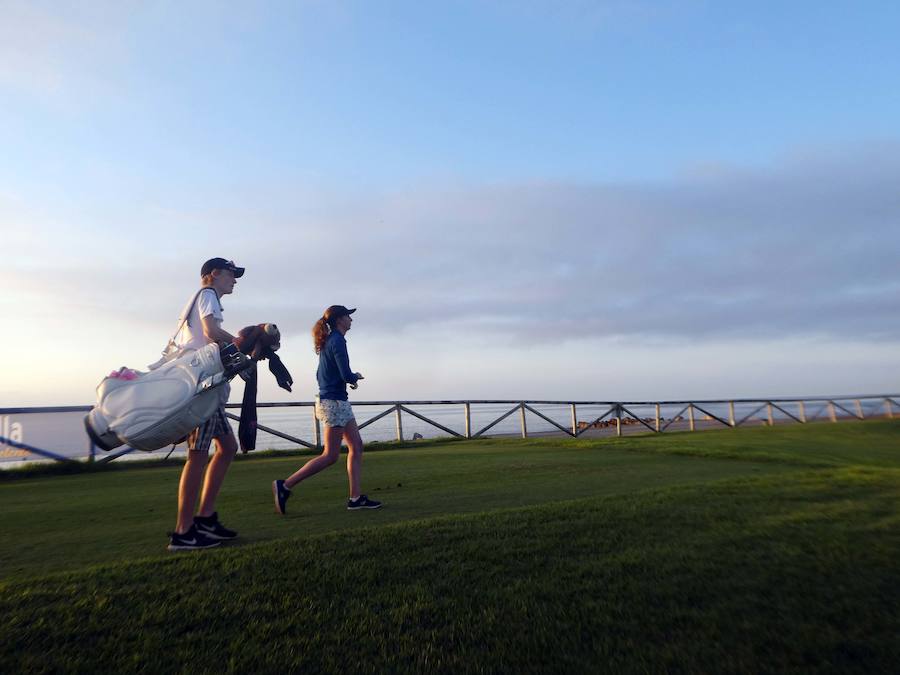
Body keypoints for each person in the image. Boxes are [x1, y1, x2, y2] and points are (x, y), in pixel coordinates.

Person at [167, 257, 245, 551]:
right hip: (202, 389)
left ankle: (205, 518)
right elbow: (211, 332)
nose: (234, 279)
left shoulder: (202, 297)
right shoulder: (208, 295)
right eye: (231, 274)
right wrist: (241, 342)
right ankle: (183, 532)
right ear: (213, 274)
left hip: (207, 388)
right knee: (198, 455)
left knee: (226, 447)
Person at [273, 305, 382, 514]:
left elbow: (322, 374)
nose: (351, 320)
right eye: (348, 316)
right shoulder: (338, 341)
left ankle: (355, 498)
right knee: (330, 455)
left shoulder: (330, 341)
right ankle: (285, 486)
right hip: (334, 402)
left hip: (336, 400)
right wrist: (355, 377)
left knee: (356, 446)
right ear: (340, 320)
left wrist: (348, 380)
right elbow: (345, 373)